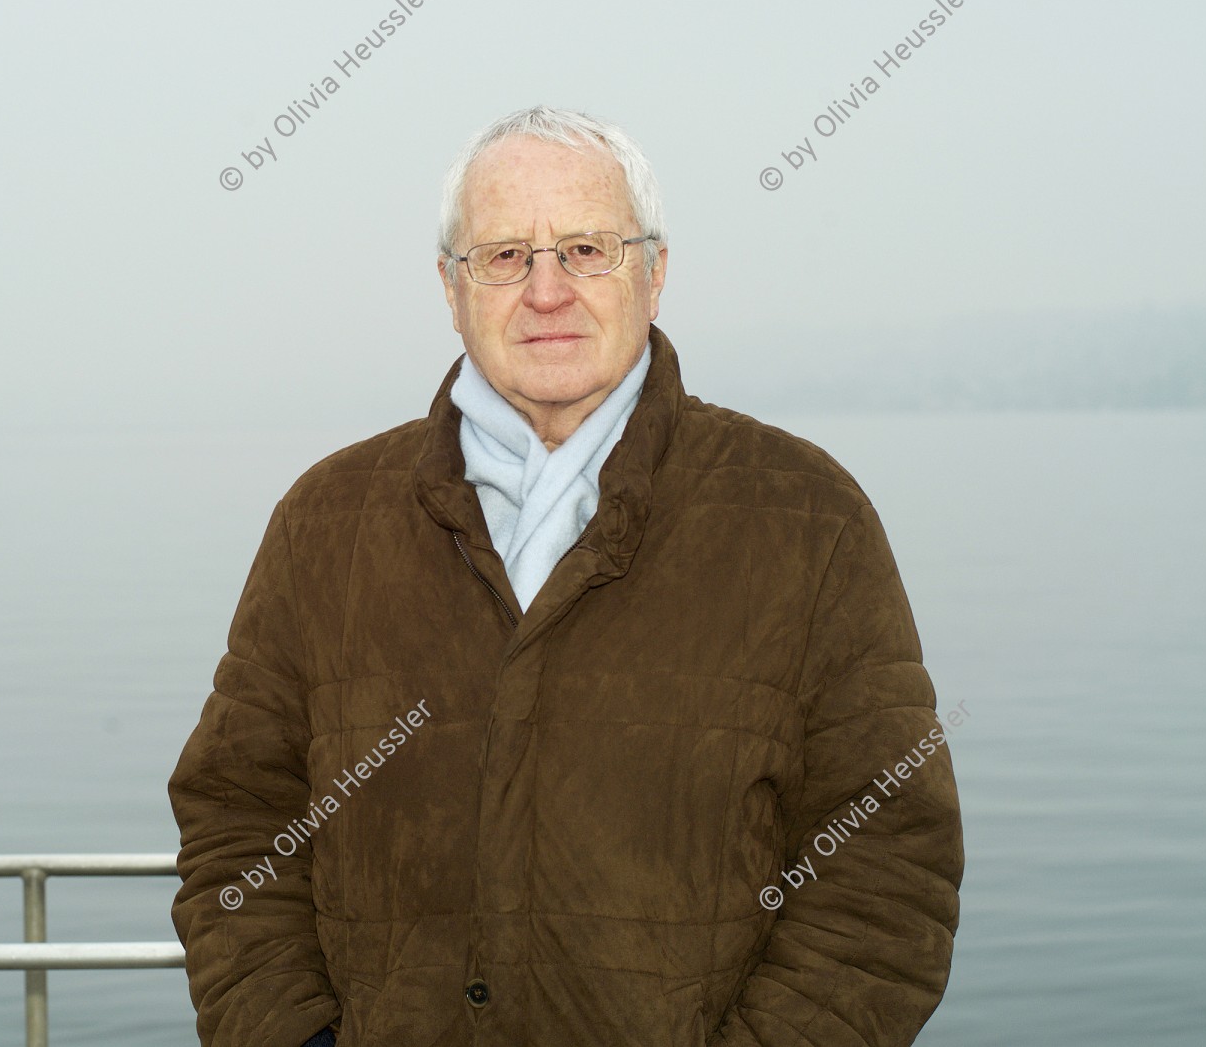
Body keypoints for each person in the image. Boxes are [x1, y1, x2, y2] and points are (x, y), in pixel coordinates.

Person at [168, 106, 963, 1046]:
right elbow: (238, 820)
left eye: (587, 249)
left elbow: (886, 866)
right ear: (450, 288)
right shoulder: (328, 522)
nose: (547, 290)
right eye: (504, 256)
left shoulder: (805, 517)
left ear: (655, 272)